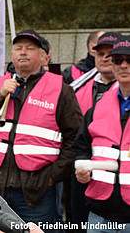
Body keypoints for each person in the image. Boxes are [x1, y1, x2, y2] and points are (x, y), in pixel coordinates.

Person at [0, 29, 82, 228]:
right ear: (12, 55)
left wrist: (53, 177)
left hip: (36, 193)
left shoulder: (60, 88)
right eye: (18, 48)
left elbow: (76, 138)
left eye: (30, 48)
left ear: (44, 56)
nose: (23, 52)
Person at [73, 35, 130, 232]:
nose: (123, 65)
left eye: (129, 60)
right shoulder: (98, 107)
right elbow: (81, 146)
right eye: (118, 60)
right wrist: (82, 168)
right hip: (98, 215)